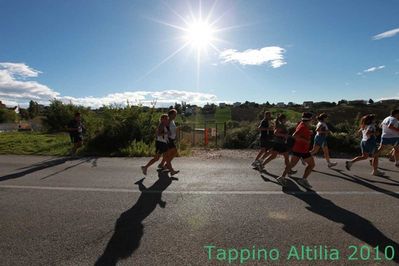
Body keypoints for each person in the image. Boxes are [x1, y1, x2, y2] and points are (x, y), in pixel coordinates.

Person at [280, 112, 315, 188]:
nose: (312, 120)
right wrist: (306, 141)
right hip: (302, 150)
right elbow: (294, 135)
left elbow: (301, 134)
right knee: (312, 165)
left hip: (299, 149)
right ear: (309, 119)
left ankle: (282, 177)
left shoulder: (303, 124)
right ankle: (303, 180)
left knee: (291, 164)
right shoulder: (302, 126)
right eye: (311, 119)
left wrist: (309, 133)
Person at [259, 114, 296, 181]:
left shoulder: (280, 124)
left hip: (279, 143)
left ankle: (262, 165)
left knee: (274, 156)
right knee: (286, 157)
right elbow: (275, 133)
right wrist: (285, 135)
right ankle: (289, 170)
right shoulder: (280, 125)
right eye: (285, 119)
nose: (286, 120)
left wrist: (286, 136)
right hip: (280, 143)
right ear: (283, 119)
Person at [157, 109, 179, 175]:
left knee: (169, 154)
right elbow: (164, 129)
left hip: (171, 139)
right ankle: (168, 167)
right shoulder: (168, 120)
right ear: (171, 114)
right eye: (174, 114)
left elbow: (173, 129)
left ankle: (162, 164)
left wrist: (176, 136)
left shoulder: (172, 121)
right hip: (168, 140)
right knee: (173, 152)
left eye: (176, 114)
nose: (175, 116)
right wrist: (167, 134)